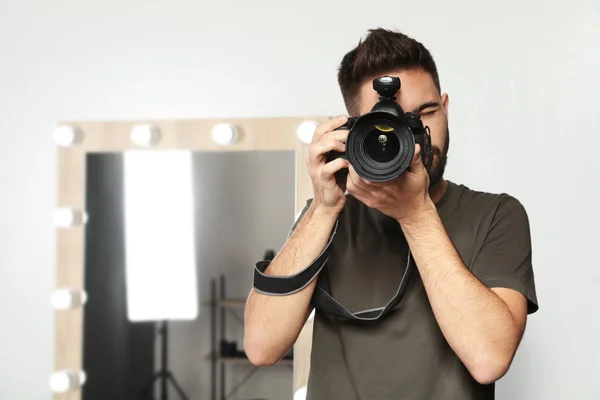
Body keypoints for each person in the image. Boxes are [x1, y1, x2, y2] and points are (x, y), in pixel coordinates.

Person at [243, 28, 539, 400]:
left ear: (445, 108)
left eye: (425, 114)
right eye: (388, 125)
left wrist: (416, 216)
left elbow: (489, 359)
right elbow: (261, 347)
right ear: (354, 132)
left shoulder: (497, 214)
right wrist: (323, 207)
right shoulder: (329, 216)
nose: (413, 139)